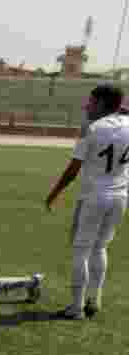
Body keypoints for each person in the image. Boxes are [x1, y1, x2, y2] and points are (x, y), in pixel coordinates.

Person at [46, 83, 128, 319]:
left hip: (94, 196)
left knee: (81, 250)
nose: (87, 106)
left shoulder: (92, 128)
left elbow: (73, 169)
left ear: (101, 103)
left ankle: (76, 307)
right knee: (100, 247)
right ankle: (95, 299)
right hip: (120, 196)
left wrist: (54, 193)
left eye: (91, 102)